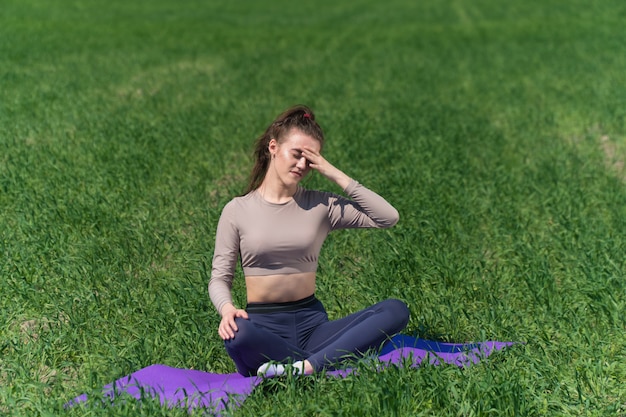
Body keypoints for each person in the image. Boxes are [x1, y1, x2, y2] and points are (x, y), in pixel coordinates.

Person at [208, 105, 409, 377]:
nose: (303, 165)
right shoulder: (237, 210)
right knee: (238, 335)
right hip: (263, 328)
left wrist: (333, 172)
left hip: (313, 327)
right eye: (297, 154)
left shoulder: (320, 205)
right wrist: (227, 309)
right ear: (273, 147)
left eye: (311, 159)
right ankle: (321, 361)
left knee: (395, 310)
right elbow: (220, 277)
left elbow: (388, 217)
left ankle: (305, 367)